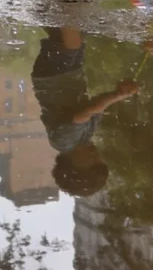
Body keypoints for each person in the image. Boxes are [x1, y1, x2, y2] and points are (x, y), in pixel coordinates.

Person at [32, 27, 138, 198]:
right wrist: (119, 91)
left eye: (91, 163)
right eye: (99, 161)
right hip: (69, 76)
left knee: (71, 45)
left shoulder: (63, 143)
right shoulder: (86, 136)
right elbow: (96, 105)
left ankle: (67, 5)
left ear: (71, 165)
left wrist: (117, 95)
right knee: (73, 38)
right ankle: (50, 9)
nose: (96, 157)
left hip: (53, 78)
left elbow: (83, 114)